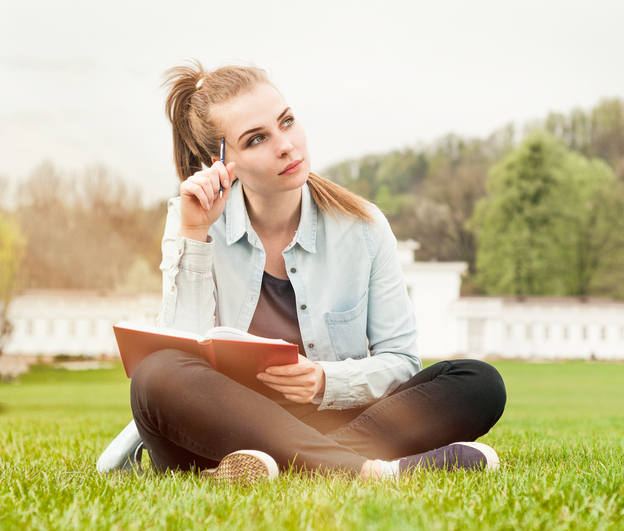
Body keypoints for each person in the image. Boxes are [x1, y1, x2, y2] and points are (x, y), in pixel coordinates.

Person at [98, 61, 506, 481]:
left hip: (333, 419)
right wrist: (196, 235)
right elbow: (180, 349)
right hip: (222, 428)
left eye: (287, 122)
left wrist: (324, 381)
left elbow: (401, 361)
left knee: (479, 382)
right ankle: (367, 470)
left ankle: (278, 467)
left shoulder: (363, 227)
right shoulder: (190, 220)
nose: (286, 145)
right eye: (257, 139)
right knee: (156, 375)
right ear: (220, 161)